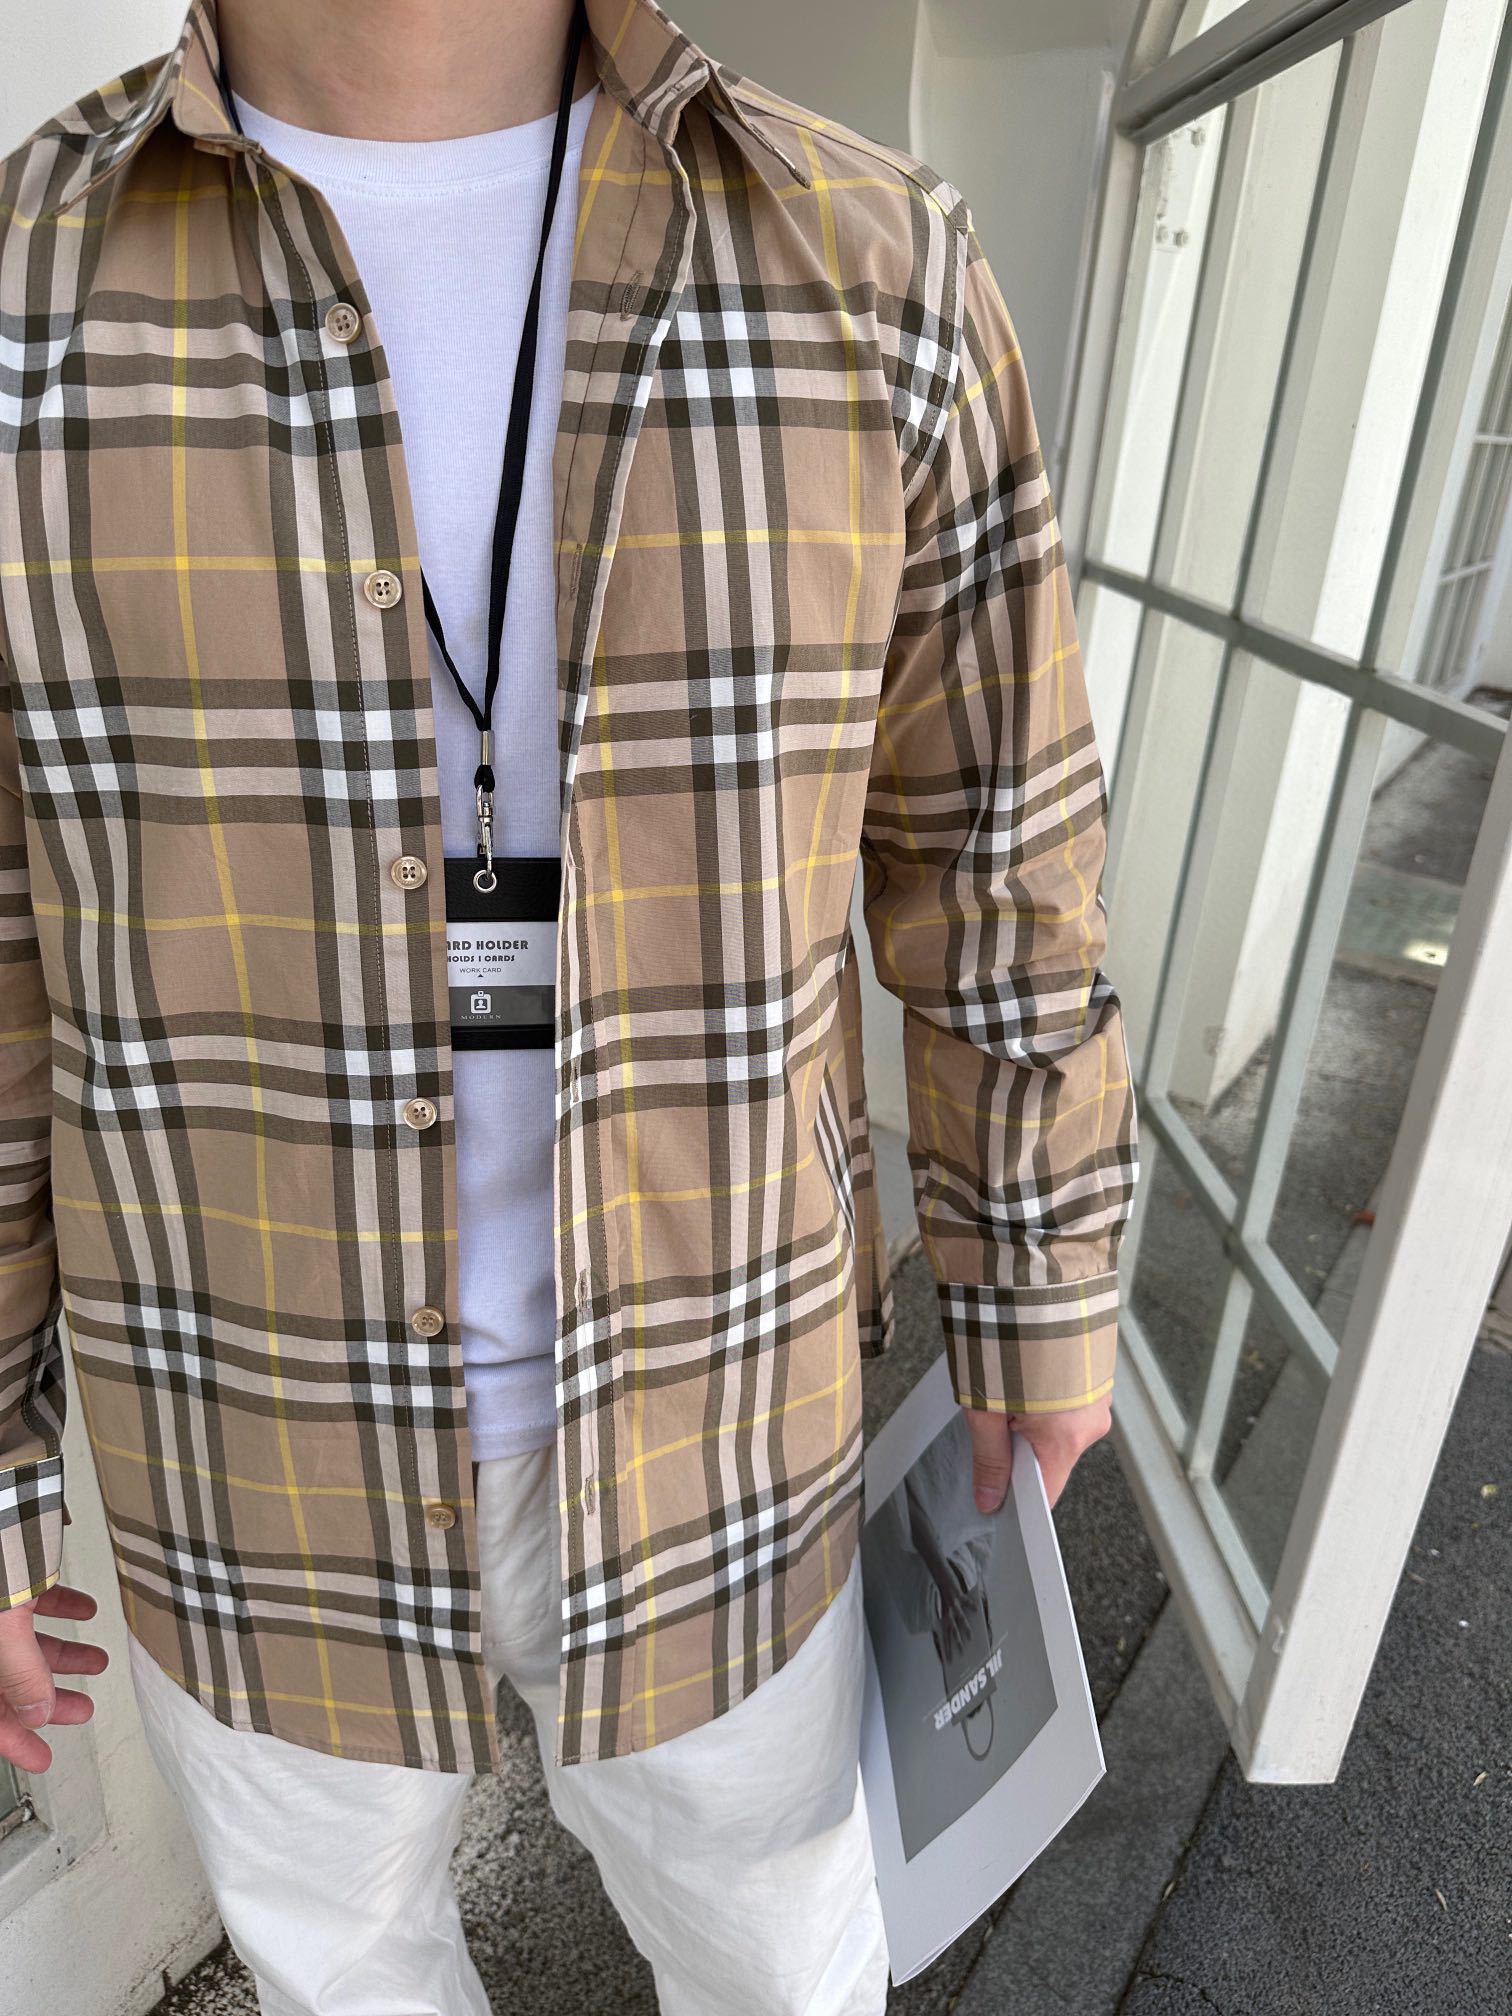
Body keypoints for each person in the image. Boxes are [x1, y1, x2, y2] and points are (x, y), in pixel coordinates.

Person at [0, 0, 1139, 2007]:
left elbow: (992, 848)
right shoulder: (25, 302)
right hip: (243, 1449)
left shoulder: (873, 265)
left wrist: (1037, 1279)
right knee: (342, 1974)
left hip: (725, 1426)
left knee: (783, 1960)